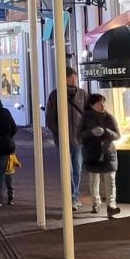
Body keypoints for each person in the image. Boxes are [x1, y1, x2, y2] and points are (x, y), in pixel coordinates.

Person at [46, 67, 89, 213]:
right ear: (64, 78)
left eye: (75, 78)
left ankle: (75, 196)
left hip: (78, 139)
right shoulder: (55, 95)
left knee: (77, 168)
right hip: (62, 140)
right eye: (72, 78)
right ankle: (70, 196)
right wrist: (59, 133)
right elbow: (50, 119)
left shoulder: (82, 94)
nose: (74, 80)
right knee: (67, 169)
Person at [79, 93, 122, 218]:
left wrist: (106, 131)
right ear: (92, 105)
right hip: (93, 152)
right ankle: (96, 203)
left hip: (108, 152)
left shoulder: (109, 117)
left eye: (103, 102)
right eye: (99, 103)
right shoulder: (85, 118)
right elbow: (79, 135)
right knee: (94, 180)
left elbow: (117, 135)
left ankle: (111, 206)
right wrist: (91, 133)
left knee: (110, 180)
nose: (102, 105)